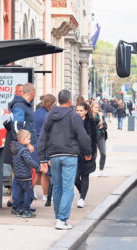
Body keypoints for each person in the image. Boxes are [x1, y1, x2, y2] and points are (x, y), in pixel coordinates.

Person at [37, 89, 92, 230]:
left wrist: (42, 158)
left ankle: (58, 217)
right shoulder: (74, 116)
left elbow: (43, 137)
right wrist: (87, 152)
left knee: (57, 186)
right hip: (69, 155)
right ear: (69, 101)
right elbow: (83, 136)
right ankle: (62, 220)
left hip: (54, 155)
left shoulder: (50, 115)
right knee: (68, 188)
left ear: (59, 101)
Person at [11, 130, 46, 218]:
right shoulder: (24, 150)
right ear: (22, 140)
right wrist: (38, 167)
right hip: (25, 176)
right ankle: (25, 210)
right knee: (29, 194)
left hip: (17, 175)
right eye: (28, 139)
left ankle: (17, 209)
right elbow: (29, 161)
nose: (29, 141)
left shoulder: (14, 149)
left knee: (18, 193)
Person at [33, 94, 57, 206]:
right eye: (54, 103)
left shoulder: (36, 112)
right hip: (44, 143)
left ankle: (31, 191)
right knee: (45, 172)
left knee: (37, 171)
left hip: (35, 142)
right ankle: (46, 194)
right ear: (50, 103)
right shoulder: (48, 115)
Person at [3, 84, 23, 208]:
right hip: (14, 143)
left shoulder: (25, 106)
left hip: (21, 143)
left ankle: (16, 196)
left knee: (19, 172)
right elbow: (7, 125)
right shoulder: (10, 106)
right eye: (17, 91)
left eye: (21, 91)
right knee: (14, 172)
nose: (19, 93)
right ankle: (13, 197)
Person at [74, 103, 97, 208]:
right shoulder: (72, 120)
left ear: (86, 111)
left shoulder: (91, 122)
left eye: (81, 110)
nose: (78, 112)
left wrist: (90, 153)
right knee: (74, 177)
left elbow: (93, 139)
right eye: (77, 110)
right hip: (75, 152)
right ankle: (82, 192)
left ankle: (82, 198)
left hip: (87, 153)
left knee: (85, 175)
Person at [91, 102, 108, 177]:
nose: (97, 109)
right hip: (92, 137)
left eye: (98, 107)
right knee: (94, 155)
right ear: (92, 108)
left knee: (103, 153)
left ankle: (101, 170)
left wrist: (103, 126)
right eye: (95, 107)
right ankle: (92, 170)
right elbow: (90, 127)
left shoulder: (100, 116)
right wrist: (98, 126)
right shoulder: (89, 116)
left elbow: (105, 125)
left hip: (101, 136)